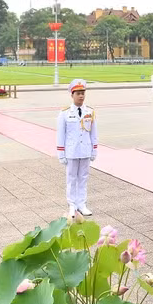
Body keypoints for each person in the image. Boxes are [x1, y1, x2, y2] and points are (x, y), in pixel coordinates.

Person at [56, 79, 98, 218]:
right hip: (71, 151)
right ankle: (72, 205)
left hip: (85, 150)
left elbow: (93, 132)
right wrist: (61, 153)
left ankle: (82, 204)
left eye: (83, 93)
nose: (81, 96)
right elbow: (61, 134)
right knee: (71, 178)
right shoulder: (65, 113)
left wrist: (94, 149)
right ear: (72, 95)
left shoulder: (90, 111)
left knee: (83, 178)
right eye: (78, 93)